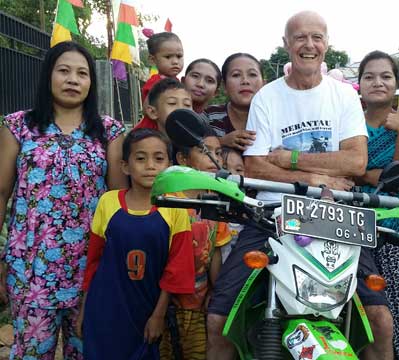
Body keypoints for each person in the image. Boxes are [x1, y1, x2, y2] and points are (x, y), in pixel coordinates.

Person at [206, 11, 369, 360]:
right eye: (300, 38)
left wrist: (290, 160)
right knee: (218, 320)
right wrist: (315, 178)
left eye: (316, 37)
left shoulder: (344, 96)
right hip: (272, 215)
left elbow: (356, 162)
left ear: (327, 44)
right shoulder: (267, 97)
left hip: (335, 215)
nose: (309, 45)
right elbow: (254, 165)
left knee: (381, 321)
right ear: (286, 45)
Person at [0, 41, 126, 359]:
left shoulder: (109, 131)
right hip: (30, 267)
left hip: (90, 266)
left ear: (91, 83)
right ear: (48, 76)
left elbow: (117, 202)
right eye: (64, 71)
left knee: (88, 351)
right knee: (31, 351)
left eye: (82, 73)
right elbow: (1, 192)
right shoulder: (19, 127)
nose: (73, 79)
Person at [78, 129, 194, 360]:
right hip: (104, 308)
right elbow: (93, 261)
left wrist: (158, 315)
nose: (150, 165)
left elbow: (176, 268)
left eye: (159, 158)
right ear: (125, 166)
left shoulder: (176, 207)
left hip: (146, 310)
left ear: (169, 165)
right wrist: (83, 310)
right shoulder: (108, 202)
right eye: (140, 158)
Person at [353, 50, 399, 360]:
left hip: (394, 233)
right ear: (359, 84)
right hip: (351, 230)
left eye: (386, 76)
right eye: (369, 76)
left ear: (396, 82)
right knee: (356, 319)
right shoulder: (349, 123)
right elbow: (342, 168)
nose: (378, 82)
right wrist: (366, 173)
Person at [159, 124, 231, 360]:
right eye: (205, 151)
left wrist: (215, 291)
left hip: (199, 303)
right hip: (165, 301)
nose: (214, 158)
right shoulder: (170, 201)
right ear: (183, 158)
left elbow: (216, 252)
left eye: (218, 152)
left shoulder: (217, 205)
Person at [206, 53, 264, 151]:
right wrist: (222, 142)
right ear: (224, 86)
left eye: (252, 74)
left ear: (264, 83)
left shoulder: (276, 117)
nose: (245, 81)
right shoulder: (209, 116)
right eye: (236, 75)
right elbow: (191, 149)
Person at [135, 32, 184, 130]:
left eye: (179, 56)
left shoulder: (178, 82)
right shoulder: (156, 82)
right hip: (153, 130)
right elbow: (146, 109)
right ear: (153, 60)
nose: (175, 61)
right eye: (168, 57)